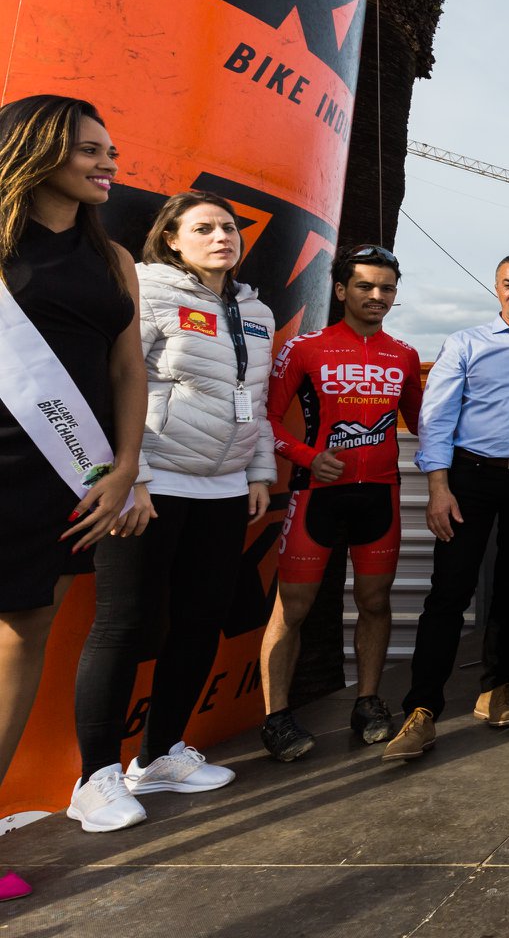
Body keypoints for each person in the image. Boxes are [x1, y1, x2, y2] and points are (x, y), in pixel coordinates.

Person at [69, 190, 276, 831]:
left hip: (223, 488)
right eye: (204, 228)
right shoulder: (147, 290)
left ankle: (158, 755)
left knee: (200, 622)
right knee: (123, 625)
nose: (222, 237)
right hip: (150, 483)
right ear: (171, 239)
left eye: (229, 227)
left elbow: (254, 398)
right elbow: (113, 382)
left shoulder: (256, 310)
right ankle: (94, 778)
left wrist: (258, 472)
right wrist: (129, 477)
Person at [0, 97, 147, 891]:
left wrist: (124, 468)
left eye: (110, 150)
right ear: (37, 149)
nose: (107, 163)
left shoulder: (113, 258)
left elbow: (128, 368)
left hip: (66, 477)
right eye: (89, 149)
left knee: (23, 637)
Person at [383, 254, 509, 762]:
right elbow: (436, 417)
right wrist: (438, 487)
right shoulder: (464, 343)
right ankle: (421, 710)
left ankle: (495, 691)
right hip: (470, 479)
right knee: (449, 591)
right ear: (497, 288)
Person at [258, 245, 422, 759]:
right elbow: (264, 420)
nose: (377, 296)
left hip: (380, 495)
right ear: (340, 290)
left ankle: (368, 702)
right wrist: (307, 456)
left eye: (387, 288)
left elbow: (425, 425)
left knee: (375, 602)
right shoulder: (306, 349)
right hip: (316, 496)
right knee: (293, 608)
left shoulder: (404, 355)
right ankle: (277, 717)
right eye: (365, 286)